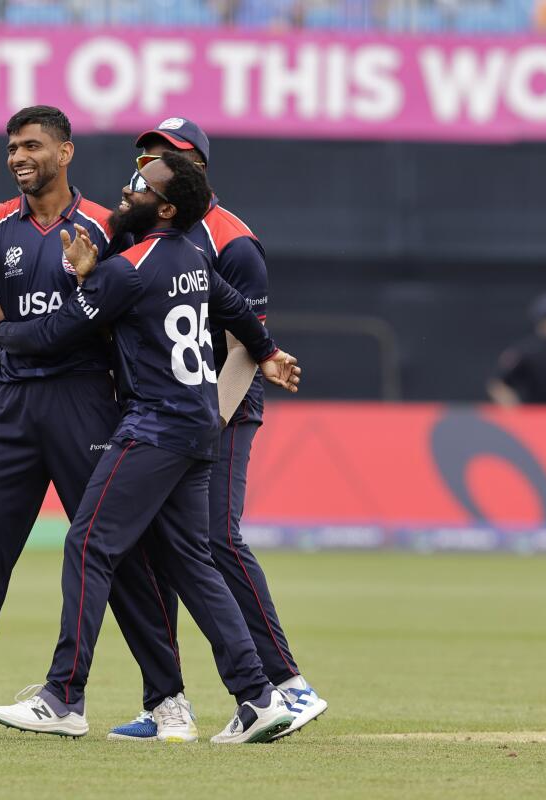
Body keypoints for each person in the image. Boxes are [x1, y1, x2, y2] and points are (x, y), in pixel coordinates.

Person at [0, 106, 187, 739]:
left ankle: (167, 703)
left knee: (120, 557)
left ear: (66, 152)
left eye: (32, 146)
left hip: (90, 403)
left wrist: (9, 331)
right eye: (12, 149)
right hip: (14, 408)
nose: (19, 158)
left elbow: (156, 294)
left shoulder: (113, 224)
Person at [0, 152, 304, 744]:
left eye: (139, 188)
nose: (125, 192)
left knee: (88, 543)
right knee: (191, 562)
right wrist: (267, 352)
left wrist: (3, 327)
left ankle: (62, 697)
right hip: (200, 428)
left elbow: (52, 335)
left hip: (153, 427)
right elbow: (234, 309)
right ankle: (259, 697)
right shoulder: (192, 258)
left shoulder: (127, 269)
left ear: (165, 206)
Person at [106, 118, 328, 742]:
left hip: (217, 410)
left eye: (163, 156)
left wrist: (206, 423)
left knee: (215, 539)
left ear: (196, 168)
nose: (147, 162)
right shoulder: (147, 229)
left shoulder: (232, 241)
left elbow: (243, 347)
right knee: (161, 549)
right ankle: (167, 705)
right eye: (145, 153)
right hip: (162, 413)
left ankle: (287, 686)